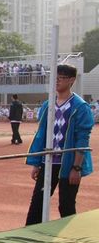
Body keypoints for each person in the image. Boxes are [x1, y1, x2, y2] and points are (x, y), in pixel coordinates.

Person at [25, 64, 94, 225]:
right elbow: (42, 135)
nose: (56, 81)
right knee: (37, 204)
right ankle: (29, 238)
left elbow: (82, 140)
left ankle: (70, 241)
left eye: (60, 78)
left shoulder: (80, 107)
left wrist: (76, 168)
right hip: (48, 162)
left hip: (68, 164)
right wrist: (36, 163)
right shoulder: (47, 105)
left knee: (66, 205)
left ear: (71, 80)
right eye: (54, 78)